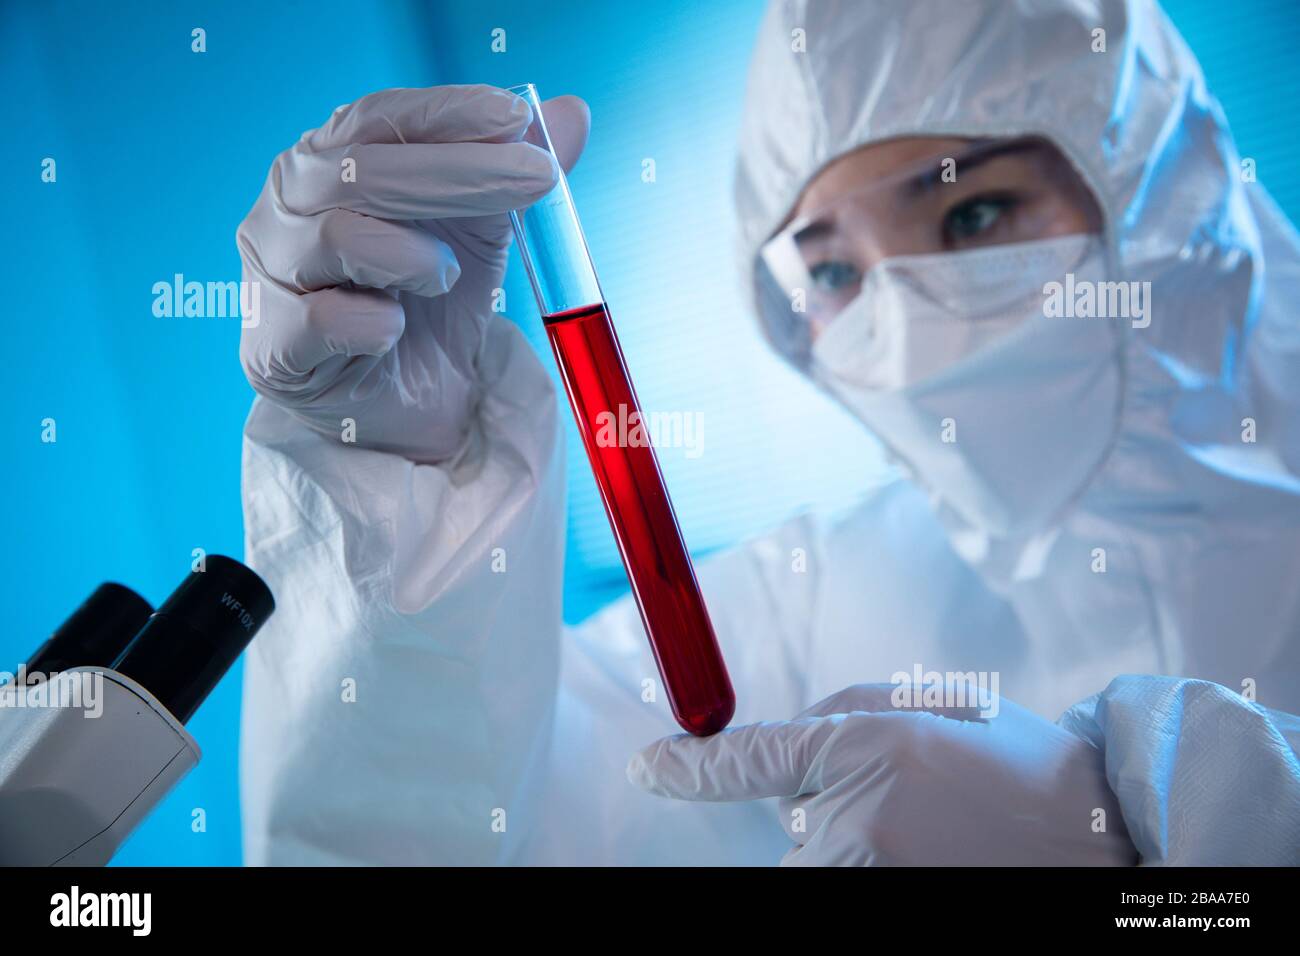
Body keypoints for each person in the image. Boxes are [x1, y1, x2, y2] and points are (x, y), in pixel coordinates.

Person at [233, 0, 1300, 866]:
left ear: (1163, 193)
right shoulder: (799, 606)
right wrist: (394, 490)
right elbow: (440, 838)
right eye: (832, 268)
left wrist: (1166, 844)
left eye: (970, 215)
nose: (897, 315)